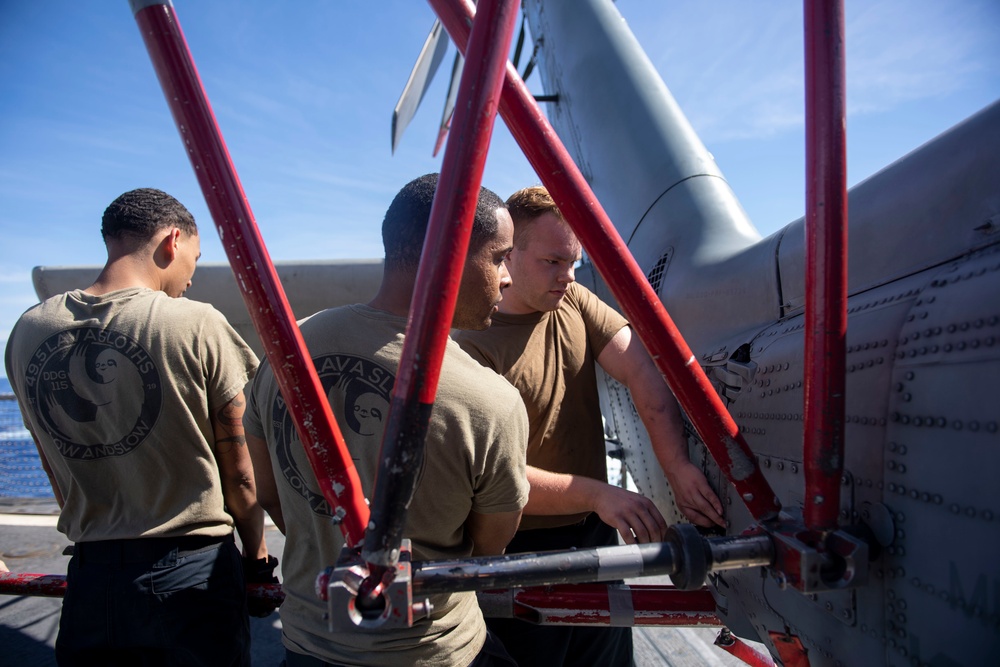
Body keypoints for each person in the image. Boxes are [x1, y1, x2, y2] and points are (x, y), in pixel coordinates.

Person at [244, 173, 529, 667]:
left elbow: (266, 491)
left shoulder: (285, 352)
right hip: (434, 650)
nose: (509, 277)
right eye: (500, 257)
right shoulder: (491, 400)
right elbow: (488, 548)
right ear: (451, 254)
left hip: (307, 645)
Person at [454, 185, 726, 667]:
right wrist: (600, 494)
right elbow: (493, 477)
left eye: (574, 263)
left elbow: (642, 369)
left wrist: (678, 467)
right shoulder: (472, 344)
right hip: (516, 548)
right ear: (508, 257)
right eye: (553, 262)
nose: (568, 276)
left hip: (592, 539)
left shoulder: (573, 301)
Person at [4, 188, 272, 665]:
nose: (191, 276)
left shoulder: (28, 331)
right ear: (172, 241)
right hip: (192, 577)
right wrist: (256, 558)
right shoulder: (196, 324)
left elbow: (53, 465)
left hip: (90, 578)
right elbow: (241, 475)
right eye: (195, 256)